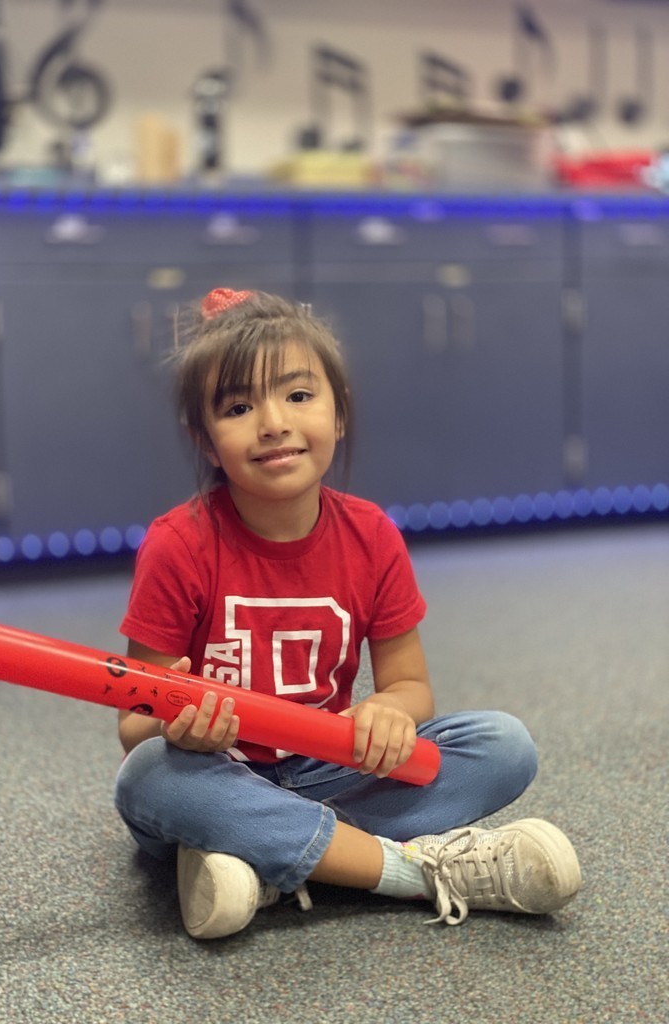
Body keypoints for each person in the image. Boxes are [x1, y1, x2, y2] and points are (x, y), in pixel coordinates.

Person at [114, 287, 581, 940]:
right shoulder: (177, 544)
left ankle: (261, 852)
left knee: (503, 745)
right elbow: (136, 724)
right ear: (206, 442)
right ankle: (411, 873)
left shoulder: (372, 536)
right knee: (148, 778)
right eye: (240, 407)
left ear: (338, 415)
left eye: (298, 396)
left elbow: (410, 687)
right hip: (216, 770)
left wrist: (391, 713)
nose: (274, 423)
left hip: (322, 763)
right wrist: (179, 729)